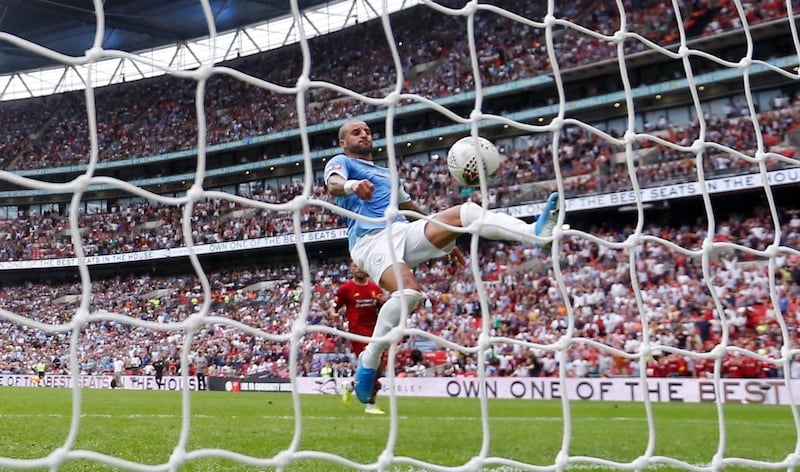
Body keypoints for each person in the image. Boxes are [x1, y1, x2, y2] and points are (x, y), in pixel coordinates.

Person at [324, 119, 561, 404]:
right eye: (355, 132)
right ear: (343, 142)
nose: (364, 135)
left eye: (366, 131)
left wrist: (446, 236)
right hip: (370, 240)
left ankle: (534, 234)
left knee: (466, 212)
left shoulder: (388, 174)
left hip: (400, 231)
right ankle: (369, 361)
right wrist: (352, 185)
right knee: (409, 293)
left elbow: (410, 208)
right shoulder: (340, 162)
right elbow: (333, 185)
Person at [335, 261, 387, 415]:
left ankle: (351, 385)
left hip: (375, 333)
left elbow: (383, 309)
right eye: (355, 266)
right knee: (373, 366)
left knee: (379, 370)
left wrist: (383, 303)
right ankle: (370, 405)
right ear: (351, 269)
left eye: (361, 266)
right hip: (357, 334)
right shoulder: (345, 289)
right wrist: (333, 315)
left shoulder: (374, 289)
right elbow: (334, 308)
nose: (358, 269)